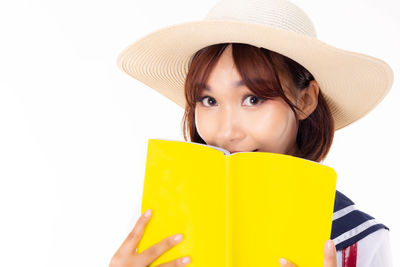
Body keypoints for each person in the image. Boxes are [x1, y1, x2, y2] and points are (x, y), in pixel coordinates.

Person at [110, 0, 394, 266]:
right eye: (209, 101)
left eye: (253, 99)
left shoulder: (359, 239)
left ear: (305, 100)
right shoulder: (163, 213)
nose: (227, 130)